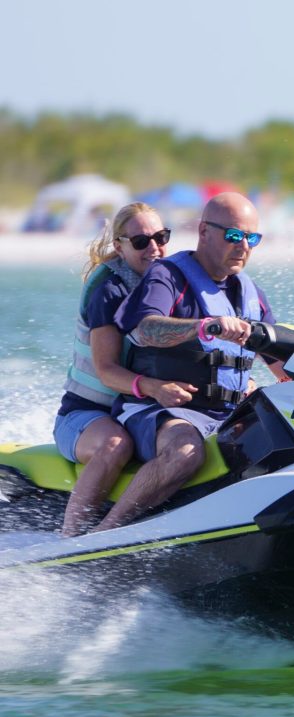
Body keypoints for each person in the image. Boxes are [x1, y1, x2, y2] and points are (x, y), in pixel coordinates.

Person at [93, 192, 284, 532]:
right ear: (204, 231)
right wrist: (204, 326)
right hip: (156, 409)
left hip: (224, 414)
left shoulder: (251, 294)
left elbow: (280, 364)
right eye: (234, 236)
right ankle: (105, 533)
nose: (243, 246)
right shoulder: (167, 276)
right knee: (185, 451)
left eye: (252, 238)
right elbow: (146, 328)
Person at [54, 202, 196, 536]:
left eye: (161, 237)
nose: (155, 248)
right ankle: (70, 538)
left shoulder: (172, 280)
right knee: (115, 444)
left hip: (136, 412)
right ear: (119, 246)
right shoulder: (109, 290)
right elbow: (105, 371)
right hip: (86, 415)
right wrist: (155, 388)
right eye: (141, 241)